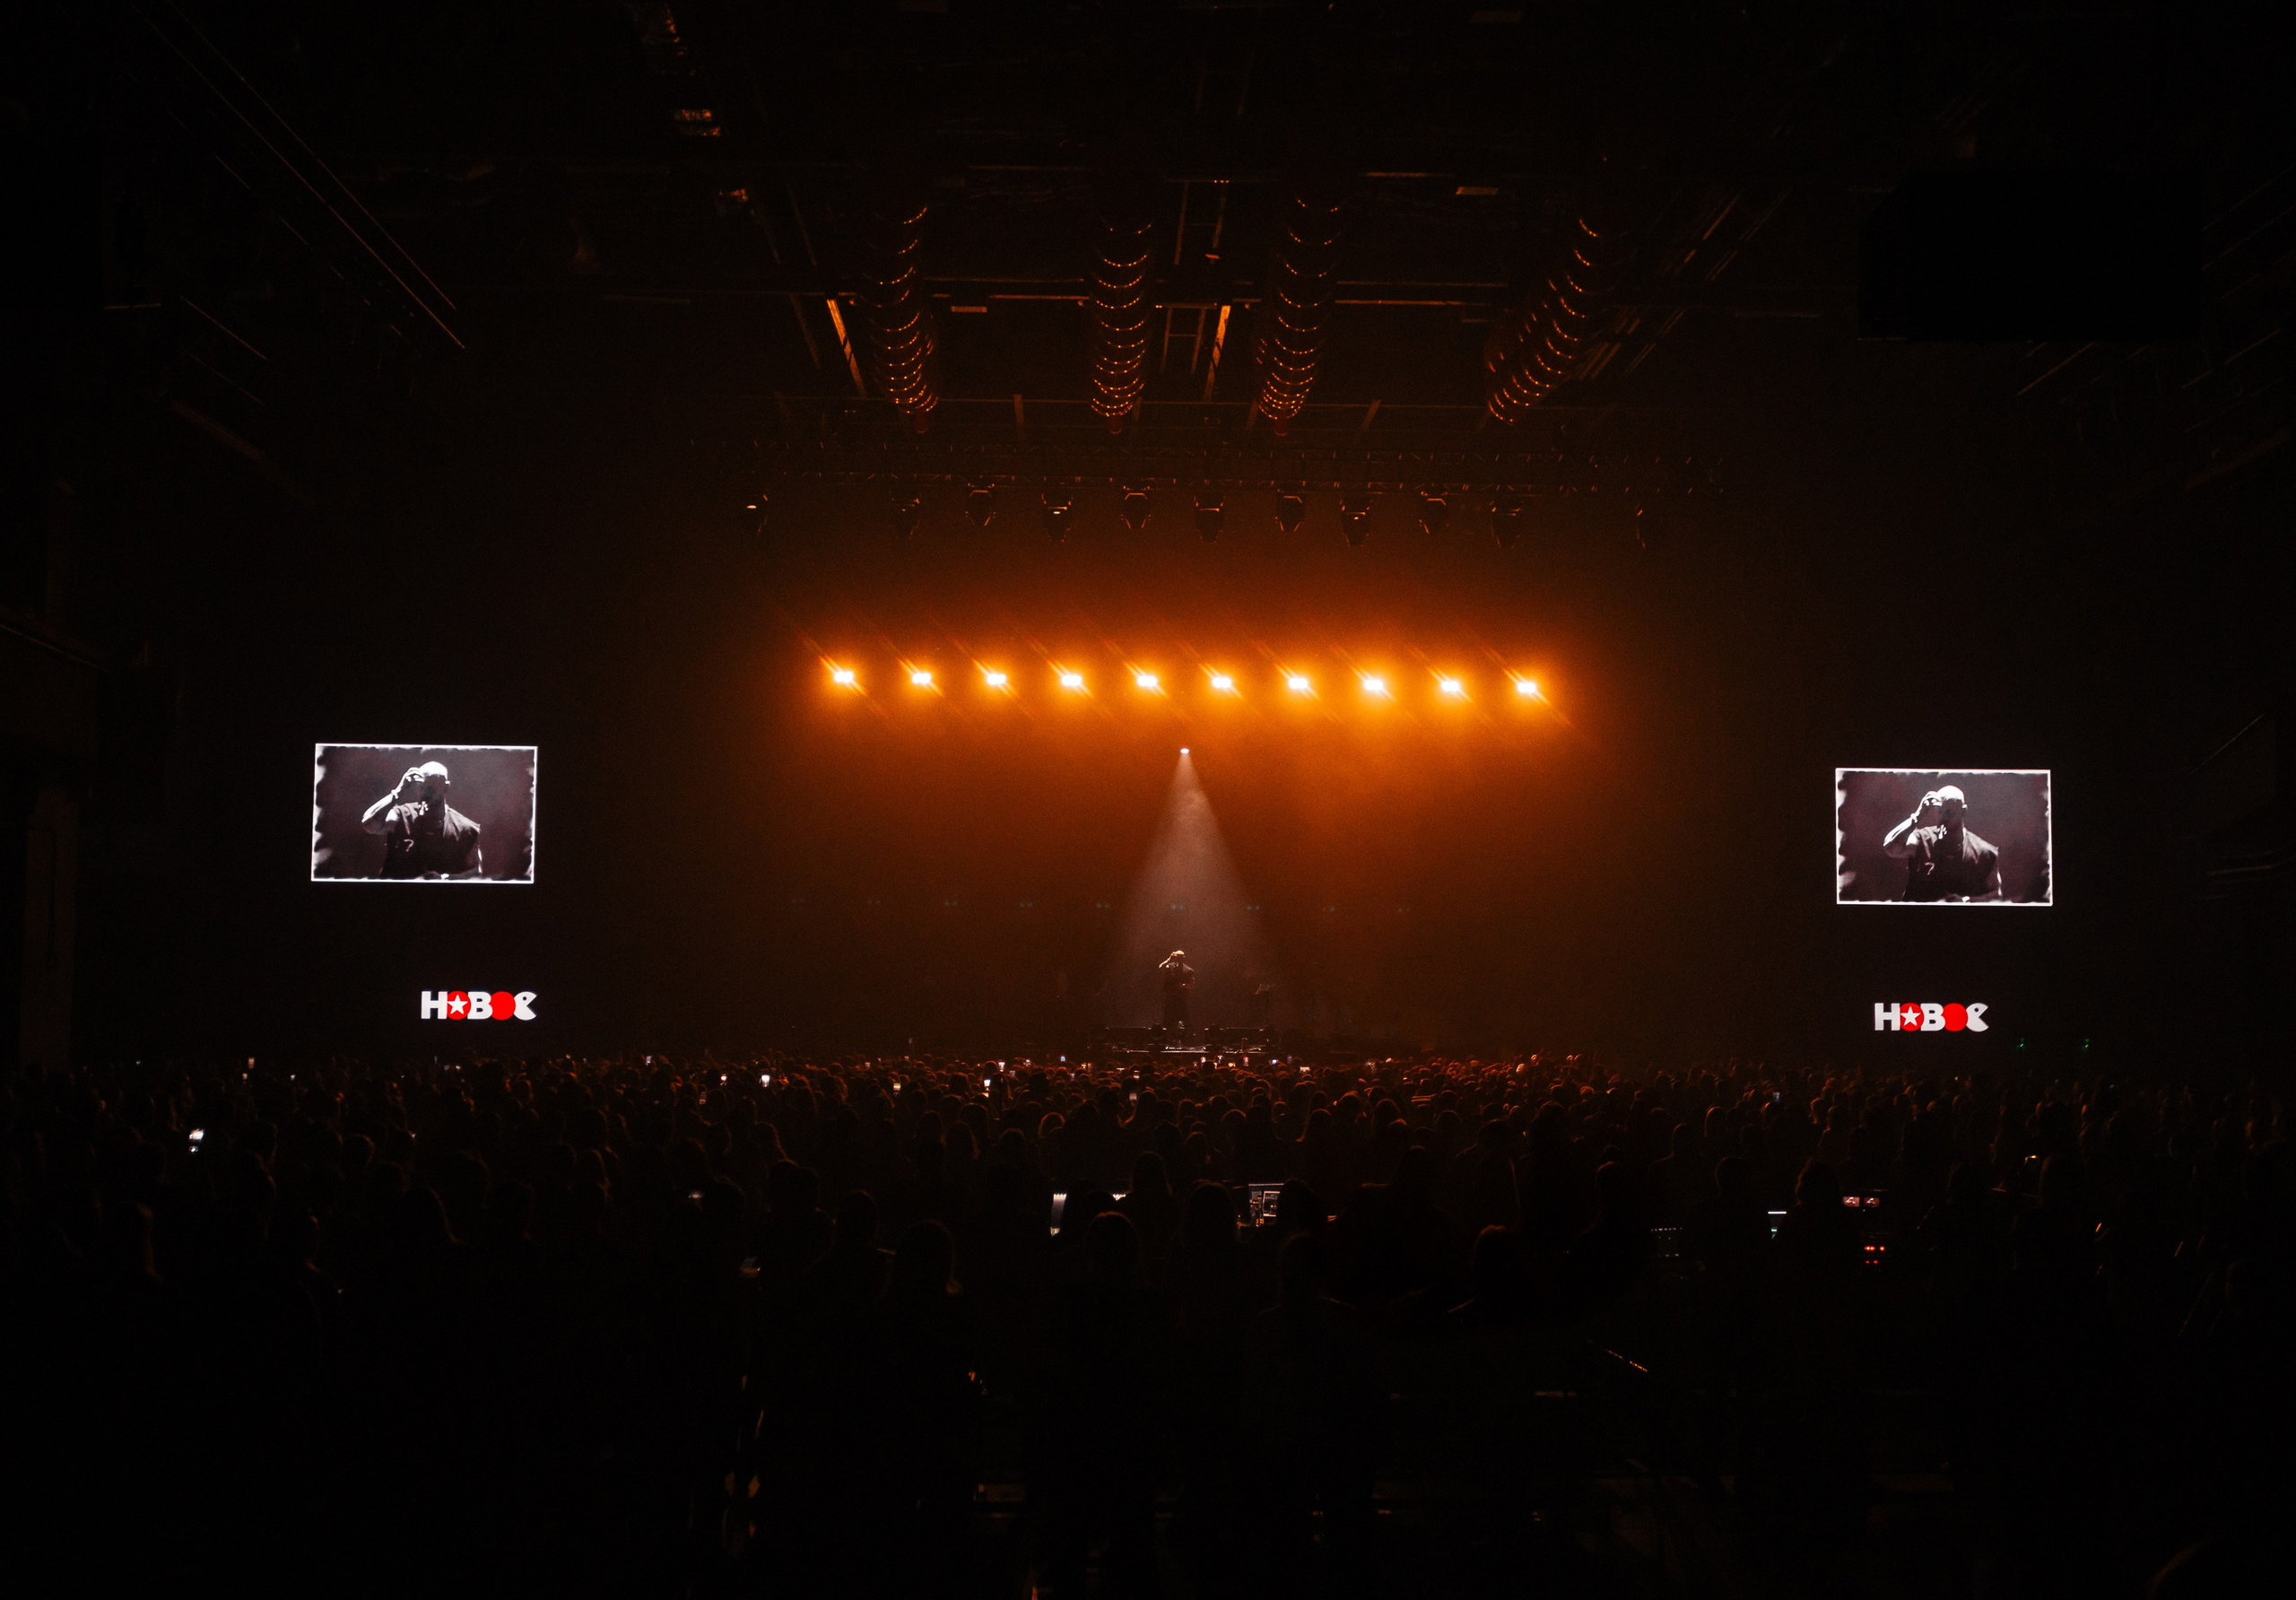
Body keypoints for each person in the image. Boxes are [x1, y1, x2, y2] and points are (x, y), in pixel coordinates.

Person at [361, 760, 483, 879]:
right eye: (422, 787)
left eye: (431, 788)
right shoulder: (401, 816)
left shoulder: (466, 829)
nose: (425, 793)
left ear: (446, 787)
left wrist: (444, 879)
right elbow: (369, 824)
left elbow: (476, 873)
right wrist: (397, 792)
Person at [1881, 783, 2002, 902]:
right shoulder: (1921, 839)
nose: (1943, 817)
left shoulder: (1985, 852)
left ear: (1963, 812)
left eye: (1949, 812)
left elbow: (1996, 895)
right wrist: (1917, 816)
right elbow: (1890, 848)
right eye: (1939, 811)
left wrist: (1967, 901)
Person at [1158, 948, 1194, 1030]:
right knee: (1168, 1021)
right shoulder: (1170, 966)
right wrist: (1169, 959)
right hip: (1170, 999)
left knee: (1182, 1021)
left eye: (1181, 956)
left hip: (1182, 1000)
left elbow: (1191, 984)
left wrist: (1183, 986)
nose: (1179, 958)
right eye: (1177, 956)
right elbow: (1160, 968)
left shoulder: (1188, 970)